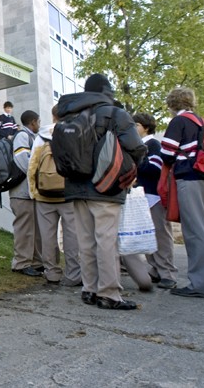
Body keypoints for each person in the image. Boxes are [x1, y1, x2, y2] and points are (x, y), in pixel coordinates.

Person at [57, 74, 146, 310]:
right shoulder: (115, 113)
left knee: (85, 240)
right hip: (105, 186)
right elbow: (135, 146)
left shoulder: (68, 114)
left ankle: (90, 289)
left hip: (75, 186)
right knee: (106, 239)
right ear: (107, 91)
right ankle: (109, 293)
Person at [160, 88, 204, 299]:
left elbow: (167, 153)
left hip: (189, 178)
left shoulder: (179, 122)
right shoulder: (201, 121)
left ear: (172, 104)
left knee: (196, 231)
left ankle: (201, 284)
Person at [27, 105, 80, 286]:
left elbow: (32, 165)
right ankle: (74, 274)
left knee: (48, 236)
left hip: (44, 194)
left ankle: (52, 273)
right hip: (69, 194)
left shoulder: (41, 136)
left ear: (53, 116)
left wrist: (33, 191)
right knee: (72, 235)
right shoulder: (75, 134)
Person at [133, 112, 177, 289]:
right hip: (142, 196)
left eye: (136, 125)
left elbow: (154, 168)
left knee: (161, 235)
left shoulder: (153, 145)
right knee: (148, 236)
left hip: (154, 197)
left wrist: (136, 163)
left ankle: (168, 272)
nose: (133, 128)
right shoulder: (140, 145)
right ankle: (156, 269)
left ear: (146, 127)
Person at [9, 110, 43, 277]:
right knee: (24, 229)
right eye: (38, 122)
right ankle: (21, 263)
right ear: (33, 122)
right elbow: (23, 160)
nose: (40, 125)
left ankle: (35, 262)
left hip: (28, 193)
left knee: (33, 228)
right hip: (21, 192)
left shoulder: (29, 137)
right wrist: (37, 176)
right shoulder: (22, 136)